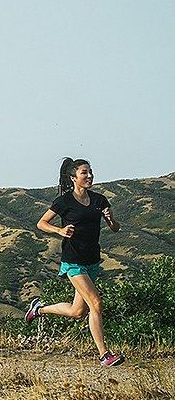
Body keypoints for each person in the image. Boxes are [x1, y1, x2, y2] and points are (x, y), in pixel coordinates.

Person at [25, 157, 123, 366]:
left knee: (78, 312)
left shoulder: (99, 201)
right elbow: (41, 223)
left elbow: (116, 228)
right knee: (96, 302)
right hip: (73, 260)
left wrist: (110, 219)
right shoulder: (65, 201)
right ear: (73, 178)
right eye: (84, 173)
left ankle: (39, 309)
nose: (89, 176)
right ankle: (105, 355)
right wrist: (59, 230)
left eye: (90, 172)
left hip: (92, 260)